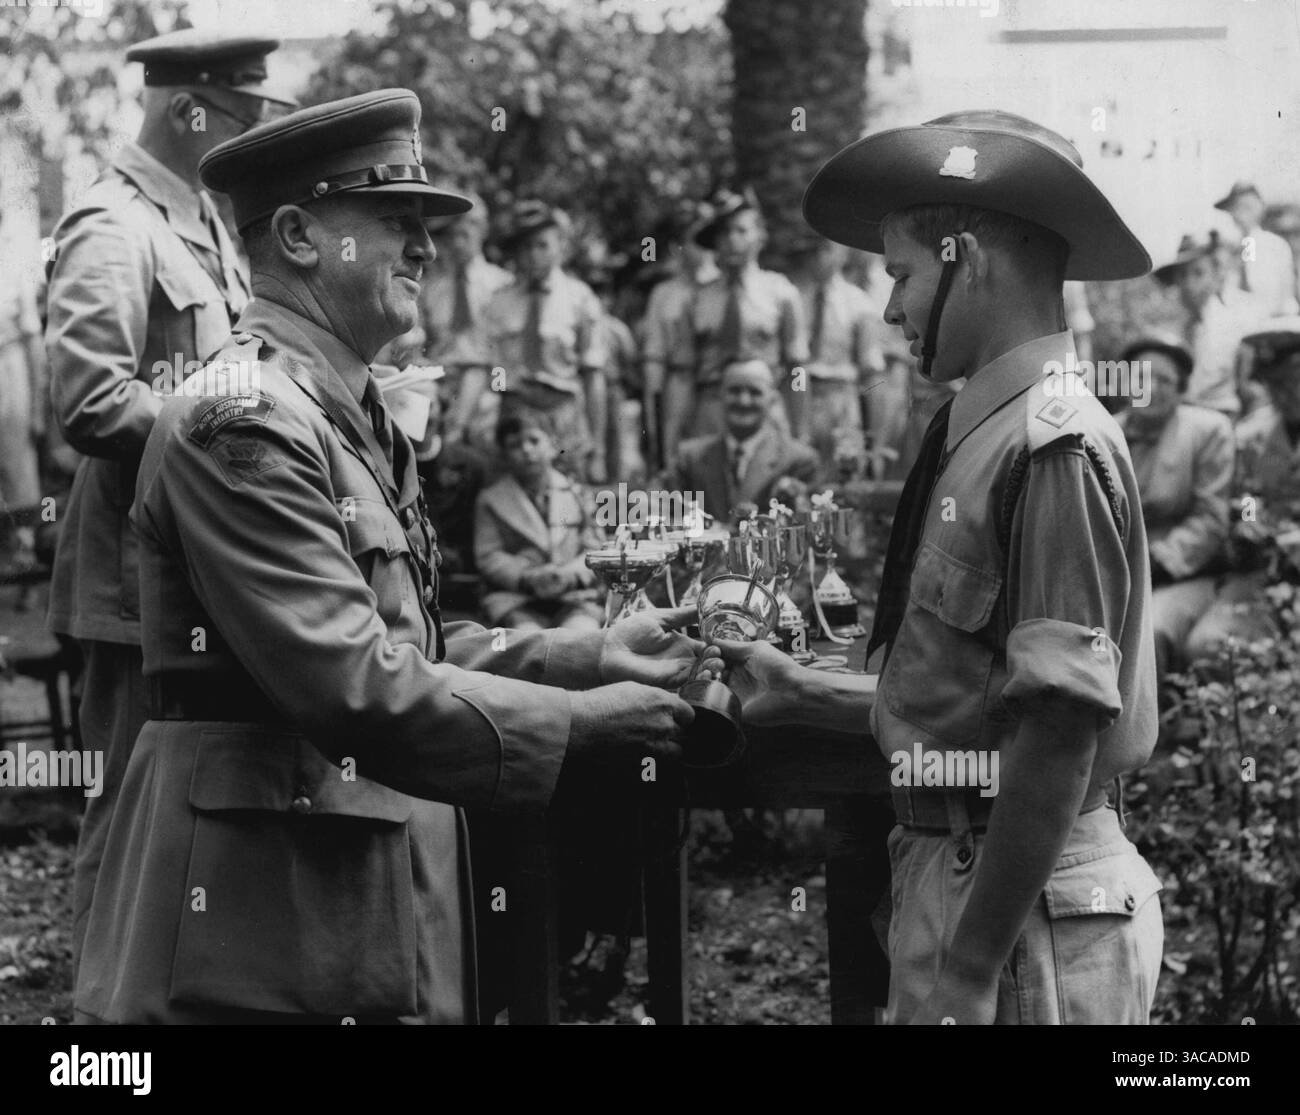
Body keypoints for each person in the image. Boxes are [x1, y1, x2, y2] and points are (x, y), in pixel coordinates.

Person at [73, 89, 703, 1025]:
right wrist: (581, 723)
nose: (426, 248)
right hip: (252, 925)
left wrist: (584, 656)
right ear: (295, 235)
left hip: (339, 896)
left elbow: (405, 641)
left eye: (426, 226)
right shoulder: (237, 418)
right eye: (394, 219)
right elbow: (352, 681)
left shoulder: (343, 415)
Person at [719, 110, 1164, 1025]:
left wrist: (967, 969)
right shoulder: (986, 431)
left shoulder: (1051, 444)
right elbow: (982, 696)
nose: (889, 309)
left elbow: (1055, 737)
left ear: (967, 257)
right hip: (978, 887)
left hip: (1016, 915)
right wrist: (803, 692)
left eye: (901, 276)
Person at [42, 29, 296, 974]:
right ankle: (98, 1033)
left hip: (194, 564)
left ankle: (167, 998)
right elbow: (91, 401)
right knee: (124, 810)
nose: (244, 140)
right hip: (128, 577)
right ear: (189, 108)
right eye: (238, 115)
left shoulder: (200, 219)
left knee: (184, 807)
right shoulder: (114, 223)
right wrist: (239, 410)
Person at [1116, 334, 1233, 681]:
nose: (1149, 387)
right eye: (1139, 376)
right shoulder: (1104, 430)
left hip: (1183, 572)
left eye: (1163, 379)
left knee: (1149, 631)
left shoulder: (1208, 430)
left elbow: (1212, 518)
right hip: (1113, 570)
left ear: (1181, 388)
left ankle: (1159, 731)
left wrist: (1156, 563)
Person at [1184, 316, 1300, 663]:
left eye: (1296, 380)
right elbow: (1246, 494)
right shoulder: (1251, 435)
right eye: (1277, 385)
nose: (1288, 394)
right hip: (1262, 571)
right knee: (1207, 646)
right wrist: (1250, 519)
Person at [662, 186, 808, 457]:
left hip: (764, 406)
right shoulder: (696, 299)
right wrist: (671, 439)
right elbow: (681, 375)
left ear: (760, 236)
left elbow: (796, 369)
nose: (731, 240)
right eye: (724, 233)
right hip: (711, 409)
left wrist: (798, 431)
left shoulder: (780, 293)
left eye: (741, 231)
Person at [479, 200, 608, 483]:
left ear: (560, 246)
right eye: (525, 248)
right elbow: (492, 366)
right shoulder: (499, 302)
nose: (533, 255)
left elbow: (593, 375)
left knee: (569, 499)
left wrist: (597, 449)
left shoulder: (579, 299)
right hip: (516, 412)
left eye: (541, 245)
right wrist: (502, 402)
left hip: (563, 413)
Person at [474, 409, 603, 631]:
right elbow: (488, 555)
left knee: (581, 636)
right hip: (518, 599)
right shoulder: (491, 499)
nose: (526, 450)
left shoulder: (575, 491)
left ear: (552, 445)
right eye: (515, 445)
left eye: (534, 441)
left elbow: (596, 546)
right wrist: (527, 577)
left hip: (574, 596)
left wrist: (570, 574)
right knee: (529, 642)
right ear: (504, 455)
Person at [659, 358, 820, 526]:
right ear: (720, 395)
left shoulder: (799, 460)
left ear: (773, 398)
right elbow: (671, 517)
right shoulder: (690, 458)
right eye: (734, 391)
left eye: (755, 392)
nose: (744, 401)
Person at [421, 192, 512, 456]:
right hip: (442, 390)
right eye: (451, 236)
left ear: (482, 230)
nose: (457, 243)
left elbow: (505, 355)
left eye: (465, 234)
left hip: (488, 396)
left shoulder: (502, 285)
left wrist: (497, 394)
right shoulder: (431, 289)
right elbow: (421, 344)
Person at [793, 238, 884, 468]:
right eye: (812, 251)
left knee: (846, 471)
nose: (818, 258)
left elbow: (872, 372)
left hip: (843, 398)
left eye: (825, 250)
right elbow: (795, 367)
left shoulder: (858, 303)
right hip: (805, 394)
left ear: (842, 253)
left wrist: (876, 441)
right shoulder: (795, 301)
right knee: (803, 470)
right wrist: (797, 415)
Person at [1153, 226, 1260, 418]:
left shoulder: (1236, 323)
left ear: (1216, 275)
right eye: (1182, 275)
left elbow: (1250, 390)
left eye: (1198, 273)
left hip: (1222, 417)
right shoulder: (1174, 330)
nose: (1188, 283)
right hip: (1181, 416)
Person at [0, 210, 45, 569]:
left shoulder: (12, 266)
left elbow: (33, 341)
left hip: (9, 367)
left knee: (17, 461)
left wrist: (38, 411)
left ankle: (25, 547)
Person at [1214, 181, 1298, 316]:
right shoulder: (1227, 250)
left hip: (1273, 320)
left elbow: (1284, 293)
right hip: (1238, 321)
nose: (1240, 215)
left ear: (1260, 208)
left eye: (1247, 207)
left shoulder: (1275, 245)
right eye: (1235, 208)